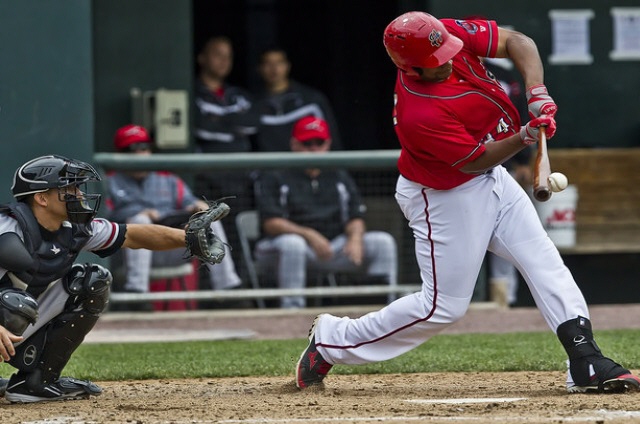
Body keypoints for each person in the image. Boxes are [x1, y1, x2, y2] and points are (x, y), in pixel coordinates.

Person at [295, 12, 640, 394]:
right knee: (442, 307)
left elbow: (517, 41)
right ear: (408, 67)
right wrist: (526, 135)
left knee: (544, 261)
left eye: (446, 52)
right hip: (444, 195)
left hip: (492, 181)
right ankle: (332, 339)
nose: (445, 61)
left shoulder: (437, 34)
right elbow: (476, 158)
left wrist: (536, 91)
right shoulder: (419, 112)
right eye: (434, 63)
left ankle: (585, 360)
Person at [0, 154, 229, 402]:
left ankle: (36, 383)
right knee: (14, 302)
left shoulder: (74, 228)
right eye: (68, 188)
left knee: (92, 280)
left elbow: (134, 235)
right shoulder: (8, 226)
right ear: (41, 198)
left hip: (11, 329)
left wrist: (187, 239)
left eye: (77, 187)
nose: (78, 194)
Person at [253, 116, 397, 308]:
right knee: (292, 244)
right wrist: (309, 235)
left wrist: (355, 238)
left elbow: (355, 216)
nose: (313, 149)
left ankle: (384, 308)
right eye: (307, 143)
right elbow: (271, 223)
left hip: (331, 248)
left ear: (327, 144)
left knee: (382, 242)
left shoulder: (337, 175)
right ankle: (291, 312)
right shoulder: (276, 174)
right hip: (283, 249)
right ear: (294, 144)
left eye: (319, 143)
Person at [106, 125, 242, 308]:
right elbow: (103, 220)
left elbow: (189, 201)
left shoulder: (167, 179)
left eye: (144, 148)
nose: (140, 154)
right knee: (140, 221)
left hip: (174, 245)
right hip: (132, 251)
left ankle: (228, 290)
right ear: (119, 153)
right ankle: (136, 295)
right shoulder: (109, 181)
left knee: (207, 221)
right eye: (132, 149)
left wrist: (197, 207)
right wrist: (135, 215)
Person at [193, 36, 259, 260]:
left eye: (228, 56)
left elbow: (251, 124)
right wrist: (232, 122)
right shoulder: (193, 91)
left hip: (239, 182)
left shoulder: (238, 95)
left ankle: (239, 289)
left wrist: (218, 118)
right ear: (202, 58)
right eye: (217, 54)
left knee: (237, 238)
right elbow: (203, 130)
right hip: (208, 181)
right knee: (209, 236)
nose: (223, 61)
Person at [253, 46, 343, 152]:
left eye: (279, 63)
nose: (274, 69)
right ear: (259, 68)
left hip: (306, 165)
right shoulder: (252, 104)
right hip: (269, 166)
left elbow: (331, 140)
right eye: (268, 64)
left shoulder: (311, 99)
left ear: (288, 66)